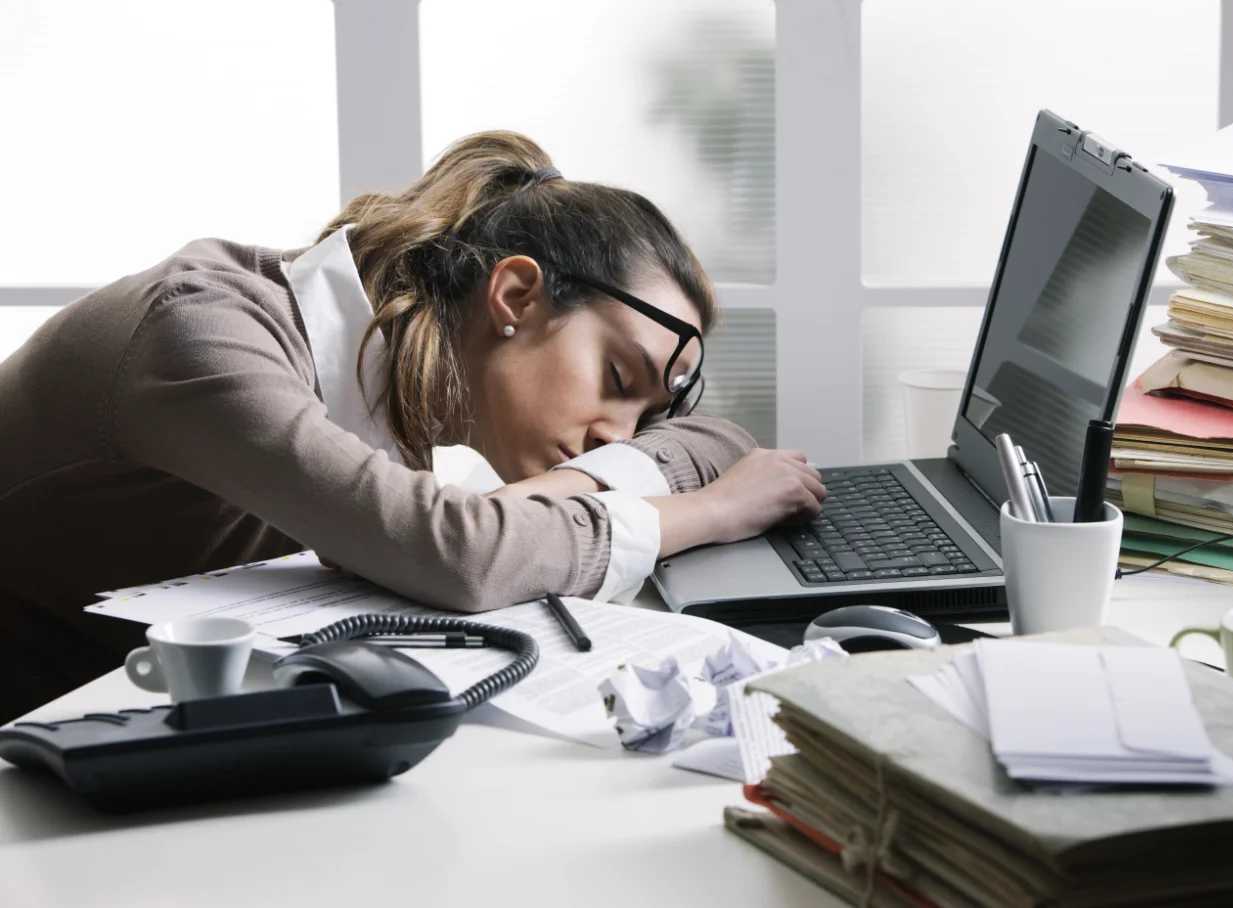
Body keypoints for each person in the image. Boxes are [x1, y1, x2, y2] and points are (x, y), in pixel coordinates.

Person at [0, 131, 826, 721]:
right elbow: (459, 552)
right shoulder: (202, 336)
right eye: (618, 378)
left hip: (148, 722)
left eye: (648, 409)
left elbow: (721, 443)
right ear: (514, 297)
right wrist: (704, 514)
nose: (624, 430)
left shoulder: (375, 368)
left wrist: (568, 487)